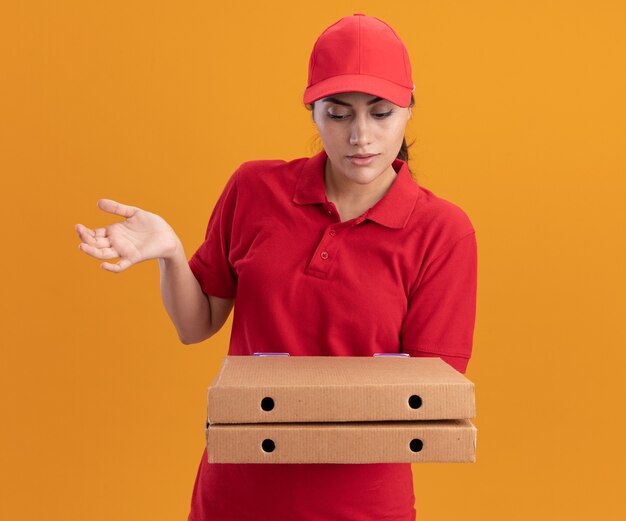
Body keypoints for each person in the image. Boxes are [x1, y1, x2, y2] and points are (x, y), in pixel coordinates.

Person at [75, 13, 477, 521]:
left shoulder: (442, 231)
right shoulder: (253, 190)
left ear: (409, 109)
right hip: (235, 494)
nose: (360, 136)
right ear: (312, 111)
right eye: (338, 113)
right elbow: (195, 325)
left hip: (361, 504)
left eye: (380, 113)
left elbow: (426, 398)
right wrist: (172, 254)